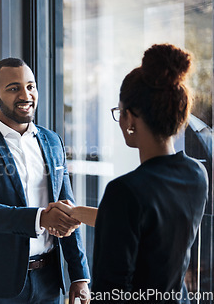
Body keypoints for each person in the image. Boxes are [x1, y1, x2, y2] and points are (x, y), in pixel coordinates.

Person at [0, 57, 90, 304]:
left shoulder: (53, 140)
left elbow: (67, 207)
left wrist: (79, 276)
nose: (26, 95)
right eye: (14, 88)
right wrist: (41, 218)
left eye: (31, 86)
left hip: (48, 282)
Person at [89, 44, 208, 303]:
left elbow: (109, 292)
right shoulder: (197, 174)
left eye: (119, 112)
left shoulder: (124, 191)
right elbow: (152, 229)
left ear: (130, 119)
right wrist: (78, 213)